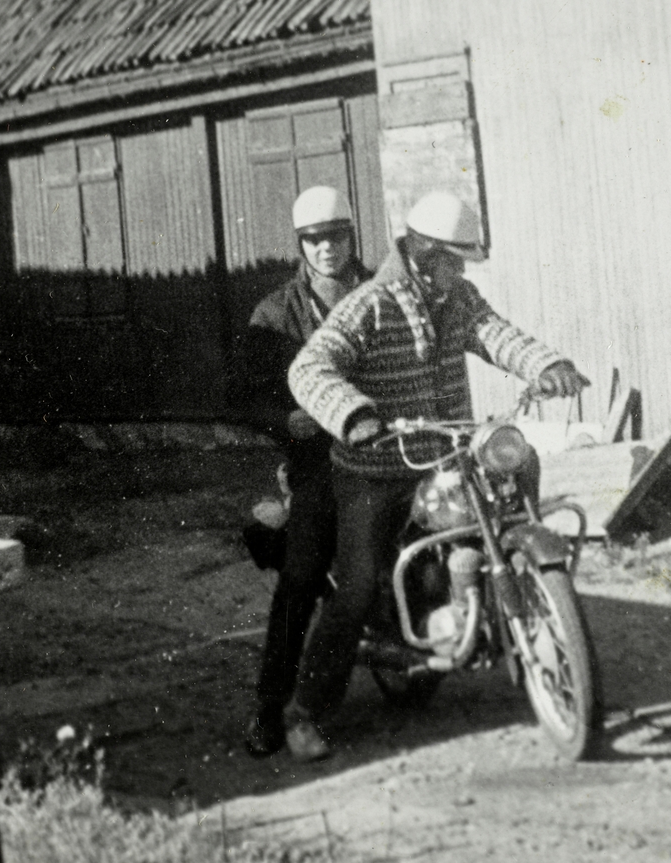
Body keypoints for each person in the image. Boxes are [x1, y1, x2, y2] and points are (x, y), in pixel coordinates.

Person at [285, 190, 589, 760]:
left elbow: (498, 334)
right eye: (452, 259)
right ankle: (305, 711)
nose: (460, 269)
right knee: (355, 589)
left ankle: (517, 617)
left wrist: (547, 365)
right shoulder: (368, 304)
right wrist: (354, 414)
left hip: (445, 457)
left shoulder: (458, 298)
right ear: (422, 255)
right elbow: (310, 366)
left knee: (517, 468)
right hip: (375, 468)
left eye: (463, 260)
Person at [241, 186, 372, 757]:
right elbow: (244, 397)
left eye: (336, 236)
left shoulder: (380, 295)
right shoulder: (276, 313)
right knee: (302, 576)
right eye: (314, 240)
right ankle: (271, 709)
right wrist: (284, 421)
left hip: (386, 453)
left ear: (351, 235)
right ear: (301, 244)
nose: (327, 249)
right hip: (319, 463)